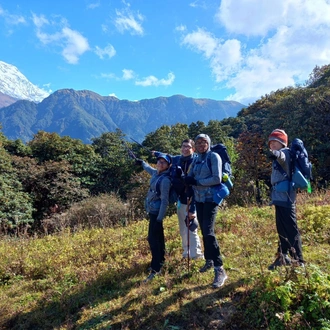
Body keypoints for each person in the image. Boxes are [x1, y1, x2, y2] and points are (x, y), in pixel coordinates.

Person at [184, 134, 228, 288]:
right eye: (198, 142)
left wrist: (197, 182)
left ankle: (219, 268)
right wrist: (185, 179)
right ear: (195, 145)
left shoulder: (214, 157)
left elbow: (216, 178)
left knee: (208, 232)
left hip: (210, 199)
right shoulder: (196, 159)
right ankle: (209, 260)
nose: (202, 144)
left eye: (204, 142)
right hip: (199, 199)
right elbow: (190, 176)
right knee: (204, 230)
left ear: (209, 143)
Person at [153, 139, 203, 260]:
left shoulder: (196, 161)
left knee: (191, 227)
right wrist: (156, 153)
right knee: (183, 228)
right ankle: (186, 253)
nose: (185, 149)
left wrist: (193, 208)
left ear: (193, 149)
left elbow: (196, 185)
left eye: (188, 147)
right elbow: (167, 157)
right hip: (181, 200)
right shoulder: (177, 159)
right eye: (183, 146)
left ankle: (196, 254)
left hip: (193, 199)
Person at [267, 129, 305, 270]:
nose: (272, 145)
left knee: (291, 229)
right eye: (271, 142)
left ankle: (299, 260)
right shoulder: (280, 154)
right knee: (281, 228)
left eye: (275, 142)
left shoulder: (285, 153)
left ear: (283, 143)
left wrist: (275, 153)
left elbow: (281, 156)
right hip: (279, 197)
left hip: (287, 198)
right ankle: (283, 257)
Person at [135, 153, 172, 282]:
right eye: (159, 162)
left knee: (152, 239)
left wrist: (159, 219)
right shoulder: (156, 173)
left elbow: (165, 201)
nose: (160, 164)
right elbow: (149, 169)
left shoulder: (165, 180)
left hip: (156, 212)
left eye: (164, 162)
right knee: (158, 237)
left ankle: (156, 268)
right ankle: (161, 260)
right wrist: (142, 163)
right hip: (153, 210)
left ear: (168, 165)